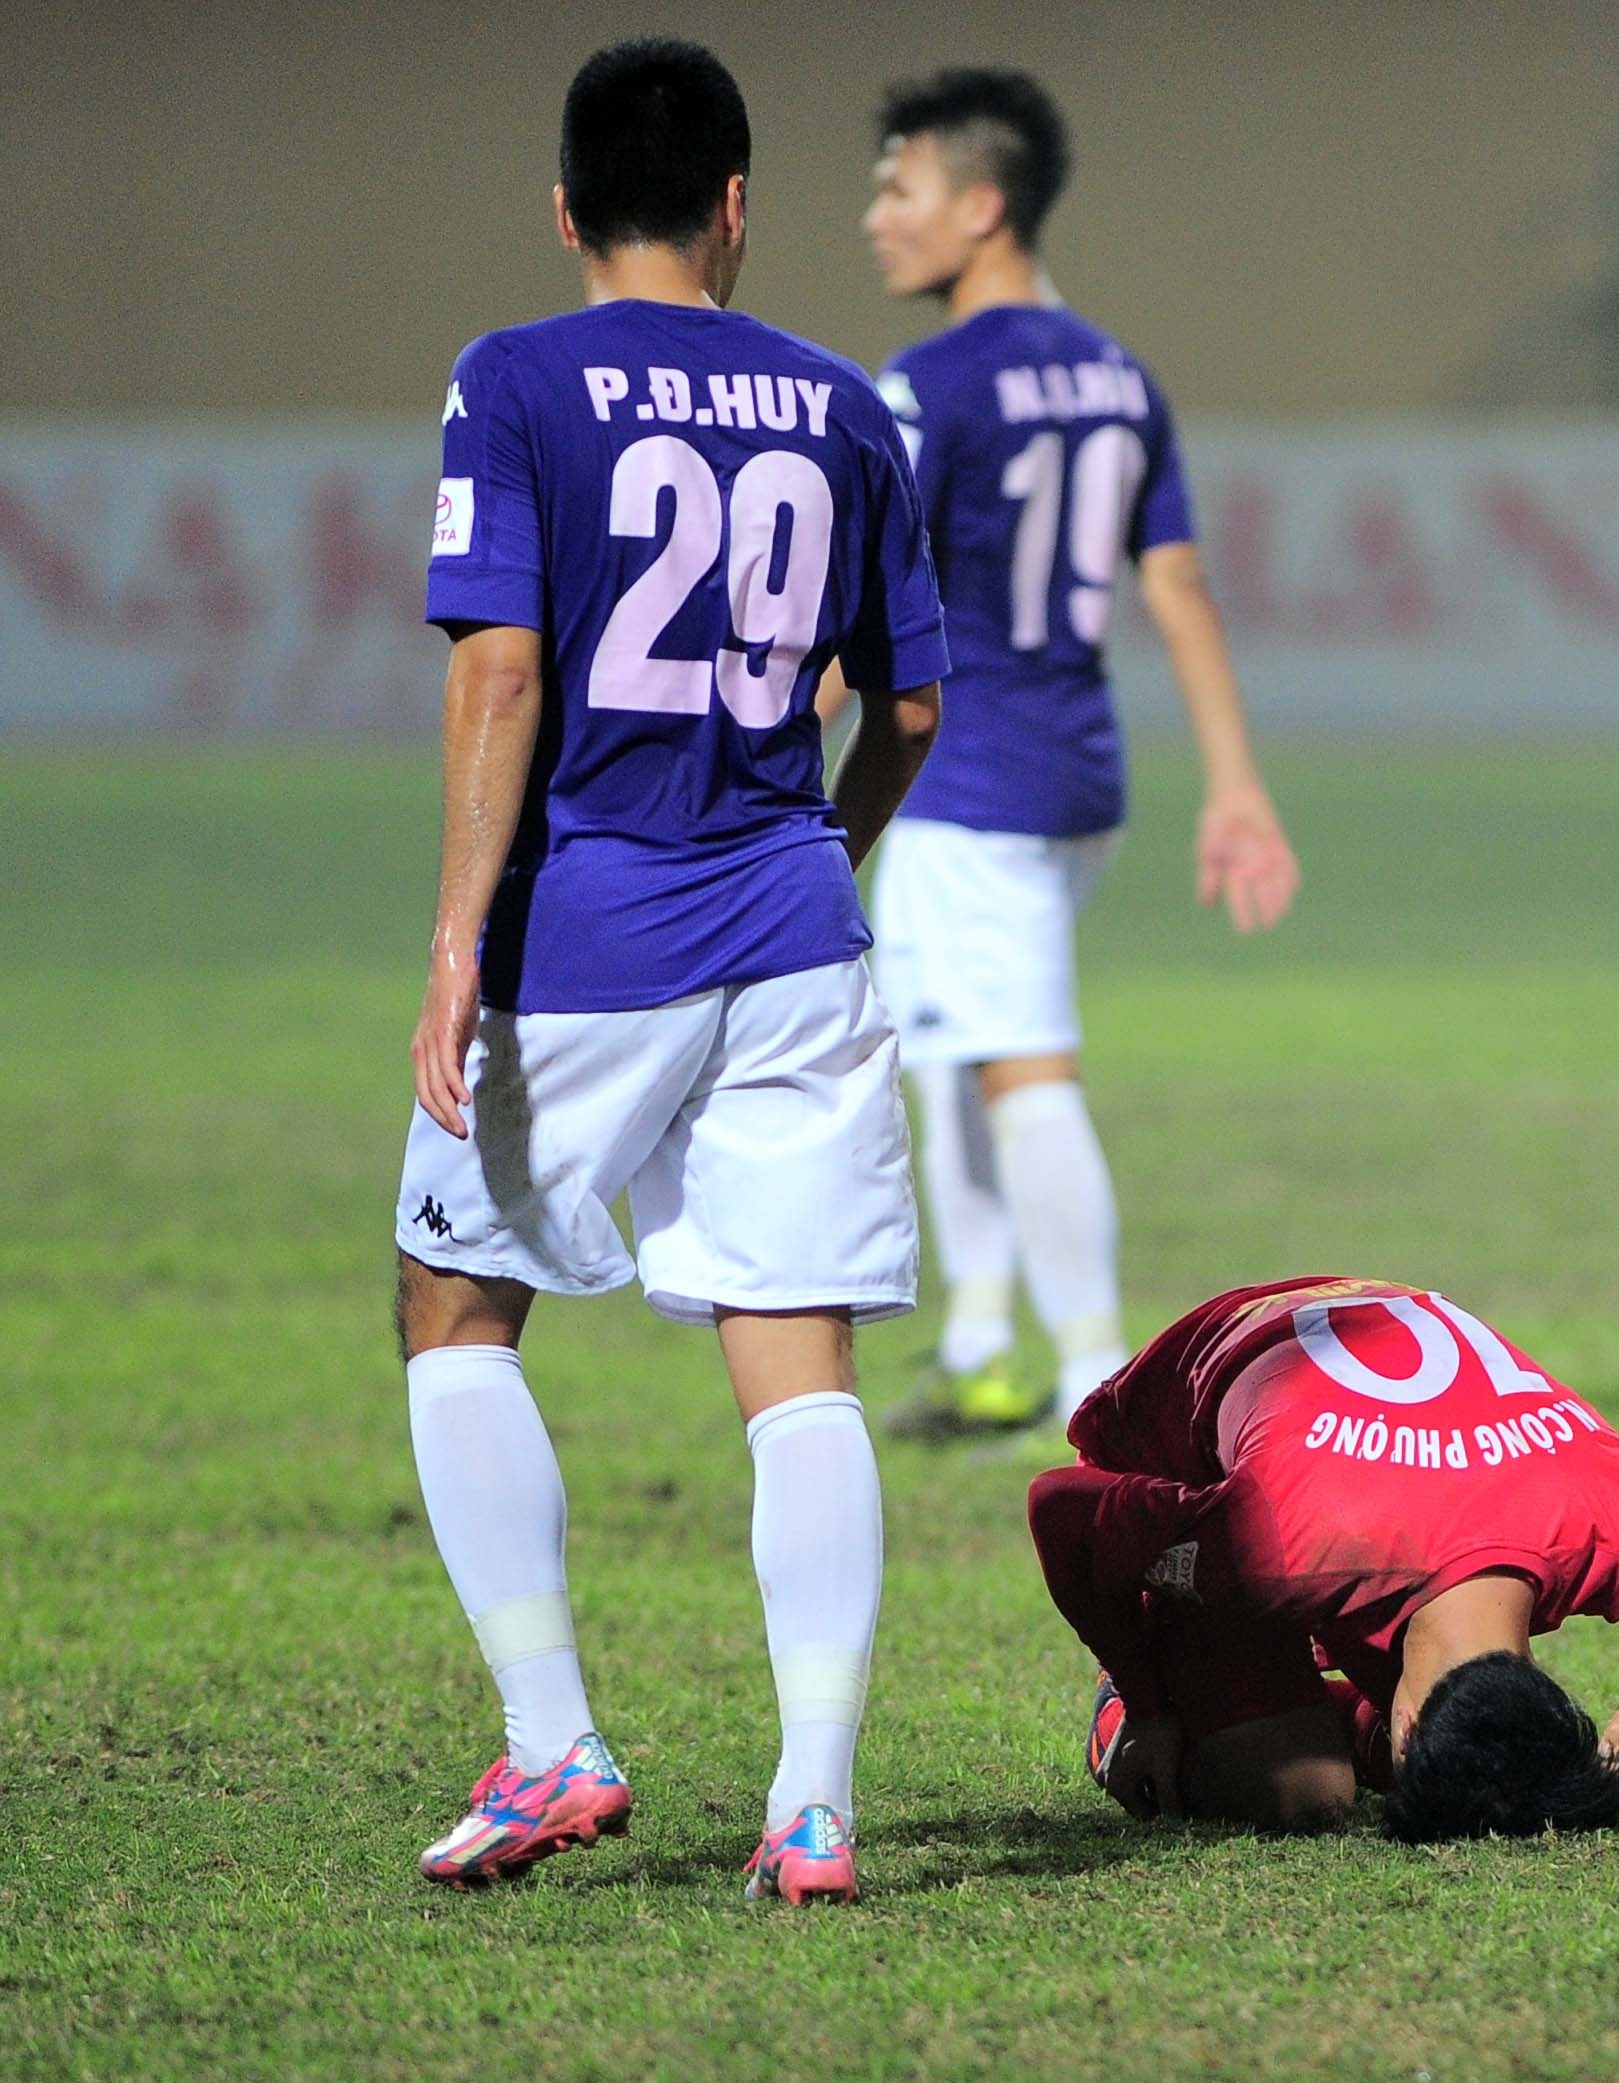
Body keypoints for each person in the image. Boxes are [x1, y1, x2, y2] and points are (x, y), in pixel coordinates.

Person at [392, 38, 947, 1905]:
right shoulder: (839, 402)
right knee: (796, 1372)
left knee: (452, 1307)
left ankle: (553, 1743)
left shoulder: (513, 375)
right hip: (793, 930)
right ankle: (811, 1806)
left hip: (590, 937)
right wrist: (822, 848)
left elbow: (497, 668)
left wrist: (461, 934)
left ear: (563, 209)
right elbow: (913, 700)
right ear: (733, 207)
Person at [821, 69, 1300, 1441]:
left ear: (979, 206)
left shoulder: (921, 389)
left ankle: (1099, 1380)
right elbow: (1180, 584)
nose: (874, 219)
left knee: (1018, 1062)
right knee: (939, 1034)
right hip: (1078, 770)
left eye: (896, 189)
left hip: (969, 773)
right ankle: (981, 1336)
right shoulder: (1117, 373)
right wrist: (1236, 782)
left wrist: (768, 751)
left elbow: (866, 608)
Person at [1027, 1276, 1619, 1839]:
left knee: (1462, 1773)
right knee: (1298, 1795)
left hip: (1364, 1411)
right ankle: (1148, 1694)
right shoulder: (1275, 1544)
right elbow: (1062, 1506)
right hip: (1187, 1400)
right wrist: (1146, 1697)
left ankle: (1307, 1707)